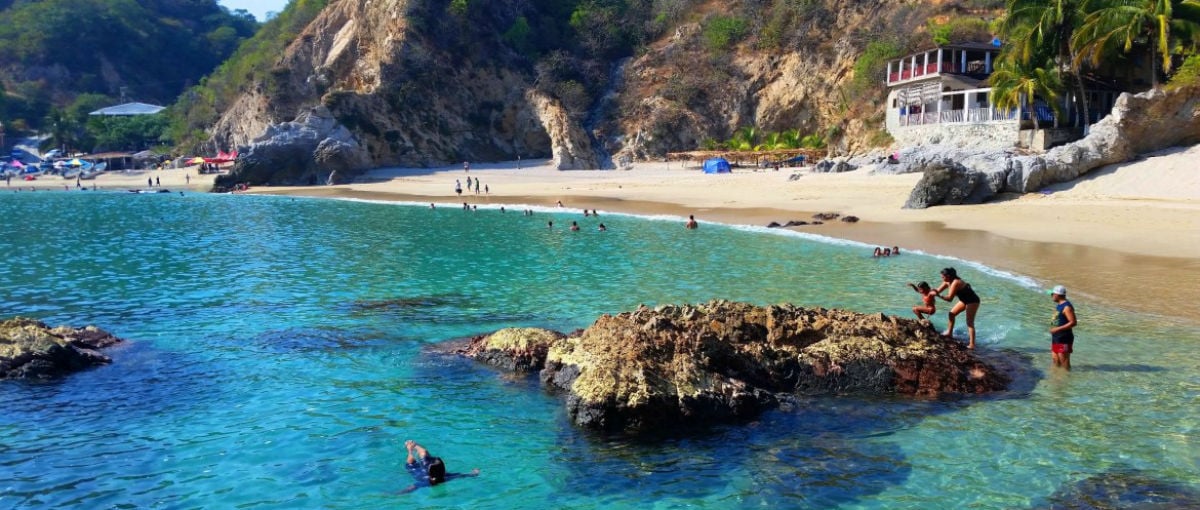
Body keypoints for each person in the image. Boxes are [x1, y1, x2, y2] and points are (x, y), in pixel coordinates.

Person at [401, 440, 478, 494]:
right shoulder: (447, 477)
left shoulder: (425, 483)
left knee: (411, 460)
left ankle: (410, 449)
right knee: (424, 452)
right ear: (443, 470)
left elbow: (409, 489)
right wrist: (474, 473)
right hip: (428, 468)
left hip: (415, 469)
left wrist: (395, 494)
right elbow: (462, 475)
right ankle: (414, 445)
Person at [934, 267, 981, 349]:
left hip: (972, 301)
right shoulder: (947, 282)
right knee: (951, 314)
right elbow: (936, 291)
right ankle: (949, 333)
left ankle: (972, 344)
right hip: (964, 300)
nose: (942, 278)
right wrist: (929, 292)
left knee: (969, 322)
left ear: (948, 276)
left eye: (943, 276)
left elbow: (949, 299)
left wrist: (939, 296)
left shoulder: (956, 282)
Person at [1048, 285, 1077, 370]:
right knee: (1055, 359)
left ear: (1057, 295)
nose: (1051, 296)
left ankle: (1067, 378)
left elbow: (1073, 322)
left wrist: (1057, 329)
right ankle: (1057, 378)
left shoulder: (1067, 307)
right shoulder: (1060, 305)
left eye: (1052, 294)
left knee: (1064, 361)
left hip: (1064, 337)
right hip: (1057, 336)